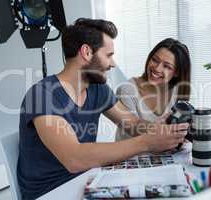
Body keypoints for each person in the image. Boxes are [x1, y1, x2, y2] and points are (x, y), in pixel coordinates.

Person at [17, 18, 188, 199]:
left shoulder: (97, 89)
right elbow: (74, 159)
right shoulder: (42, 95)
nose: (112, 63)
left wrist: (162, 130)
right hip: (51, 192)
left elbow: (132, 123)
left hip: (88, 179)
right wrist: (147, 142)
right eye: (108, 55)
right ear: (86, 52)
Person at [116, 38, 191, 141]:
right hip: (132, 155)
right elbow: (133, 129)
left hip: (164, 153)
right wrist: (162, 128)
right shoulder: (127, 90)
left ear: (176, 73)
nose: (157, 68)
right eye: (155, 60)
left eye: (167, 66)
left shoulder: (176, 90)